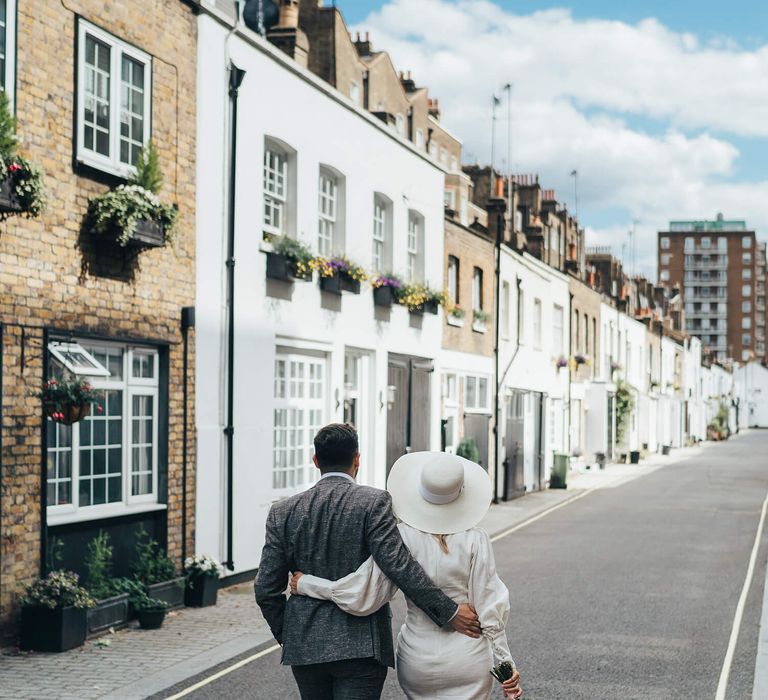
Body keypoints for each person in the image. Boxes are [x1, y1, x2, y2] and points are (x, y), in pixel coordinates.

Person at [254, 423, 489, 700]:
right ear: (357, 459)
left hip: (306, 645)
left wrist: (290, 634)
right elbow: (399, 565)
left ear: (315, 460)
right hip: (362, 644)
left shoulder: (283, 512)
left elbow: (266, 588)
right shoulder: (374, 502)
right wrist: (449, 612)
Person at [290, 450, 522, 700]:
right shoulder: (476, 540)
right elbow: (489, 607)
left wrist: (306, 583)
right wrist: (506, 668)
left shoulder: (401, 537)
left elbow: (362, 594)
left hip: (417, 658)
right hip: (468, 656)